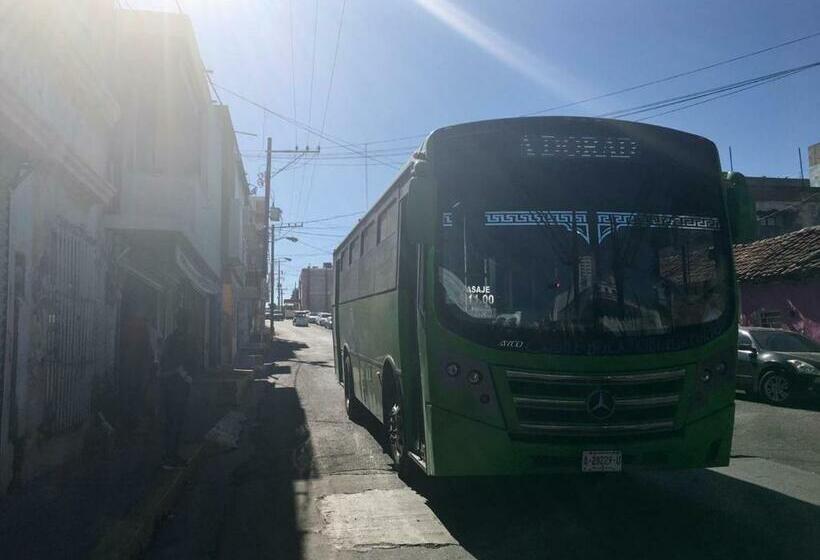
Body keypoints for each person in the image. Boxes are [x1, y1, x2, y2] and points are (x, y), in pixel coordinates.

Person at [158, 310, 195, 469]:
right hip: (175, 386)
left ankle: (172, 455)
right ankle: (169, 457)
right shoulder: (177, 340)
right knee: (174, 422)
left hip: (175, 385)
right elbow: (169, 363)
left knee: (175, 422)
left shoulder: (173, 339)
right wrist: (182, 373)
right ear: (184, 323)